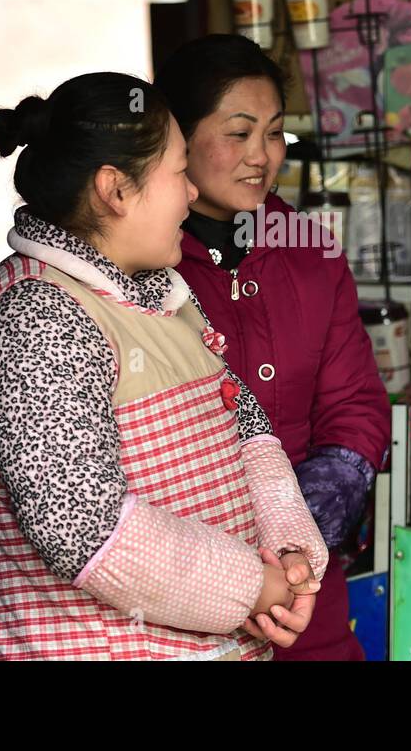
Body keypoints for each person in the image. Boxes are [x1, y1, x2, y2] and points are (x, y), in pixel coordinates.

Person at [0, 72, 327, 660]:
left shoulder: (156, 293)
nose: (193, 195)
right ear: (116, 191)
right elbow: (85, 529)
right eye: (179, 172)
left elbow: (242, 421)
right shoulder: (37, 319)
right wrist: (257, 587)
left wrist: (289, 547)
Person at [156, 35, 390, 660]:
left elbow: (356, 409)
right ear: (177, 138)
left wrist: (293, 547)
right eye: (239, 133)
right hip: (176, 607)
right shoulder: (142, 265)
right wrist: (233, 570)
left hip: (303, 601)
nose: (262, 155)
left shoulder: (311, 254)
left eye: (276, 133)